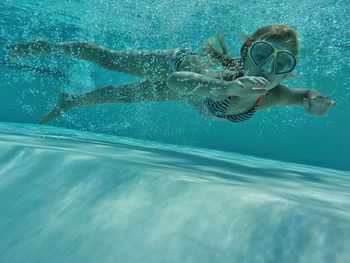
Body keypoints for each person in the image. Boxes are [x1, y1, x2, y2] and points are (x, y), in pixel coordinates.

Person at [4, 24, 335, 124]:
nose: (267, 69)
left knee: (123, 97)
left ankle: (71, 100)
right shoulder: (224, 79)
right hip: (179, 66)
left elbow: (304, 94)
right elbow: (179, 81)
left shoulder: (274, 94)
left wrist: (313, 101)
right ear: (248, 49)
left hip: (187, 96)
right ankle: (48, 45)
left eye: (282, 63)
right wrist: (226, 88)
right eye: (263, 55)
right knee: (111, 60)